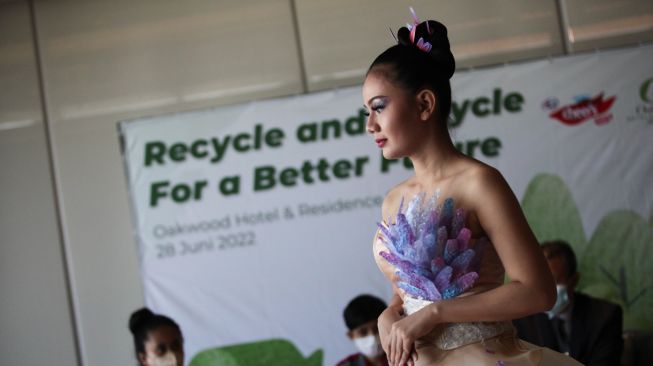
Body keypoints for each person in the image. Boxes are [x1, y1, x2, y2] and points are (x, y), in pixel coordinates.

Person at [363, 9, 583, 366]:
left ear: (424, 104)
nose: (370, 125)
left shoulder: (479, 182)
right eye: (366, 112)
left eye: (379, 107)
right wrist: (389, 314)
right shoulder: (393, 200)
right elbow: (405, 292)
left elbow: (538, 291)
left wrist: (435, 314)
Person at [513, 240, 623, 365]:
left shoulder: (605, 316)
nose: (545, 290)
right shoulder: (521, 319)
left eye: (554, 282)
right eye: (539, 282)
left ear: (574, 280)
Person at [337, 294, 389, 366]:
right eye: (363, 332)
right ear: (350, 336)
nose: (373, 336)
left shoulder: (408, 359)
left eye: (377, 328)